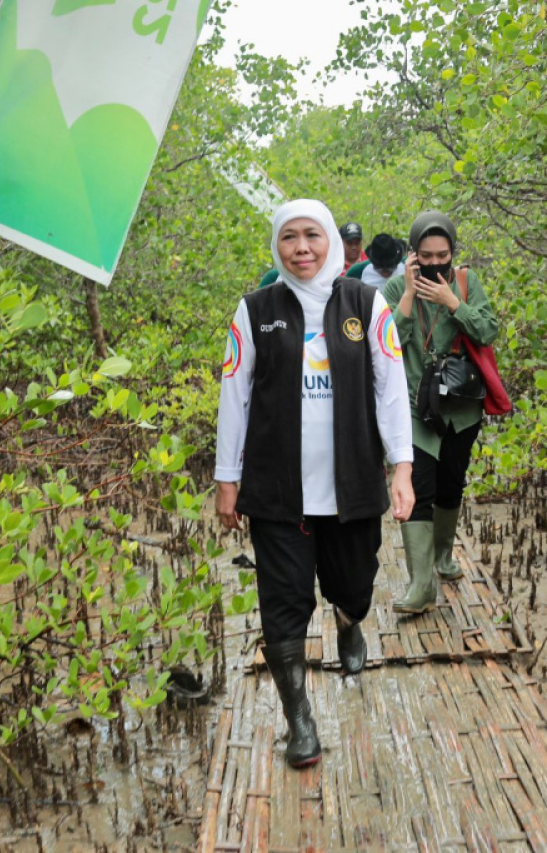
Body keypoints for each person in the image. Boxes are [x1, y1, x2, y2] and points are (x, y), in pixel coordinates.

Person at [216, 199, 414, 768]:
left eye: (312, 236)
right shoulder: (255, 310)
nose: (301, 248)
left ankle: (351, 621)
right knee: (283, 605)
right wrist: (226, 479)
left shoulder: (365, 303)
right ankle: (300, 721)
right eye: (289, 238)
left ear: (330, 239)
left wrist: (401, 468)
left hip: (350, 483)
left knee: (353, 584)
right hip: (278, 490)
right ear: (276, 247)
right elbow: (235, 396)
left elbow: (390, 388)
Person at [381, 211, 500, 615]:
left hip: (460, 408)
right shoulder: (394, 288)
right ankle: (420, 584)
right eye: (426, 256)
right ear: (412, 254)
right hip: (415, 409)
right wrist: (410, 296)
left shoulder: (466, 283)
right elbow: (386, 345)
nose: (435, 263)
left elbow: (488, 330)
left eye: (442, 254)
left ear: (453, 252)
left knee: (452, 485)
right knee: (419, 492)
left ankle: (444, 556)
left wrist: (454, 304)